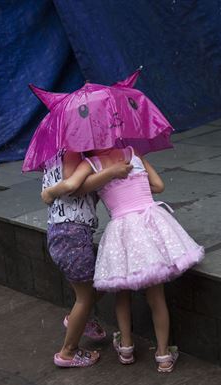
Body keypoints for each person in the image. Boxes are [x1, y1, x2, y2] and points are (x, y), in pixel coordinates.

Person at [78, 146, 204, 372]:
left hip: (121, 231)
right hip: (150, 224)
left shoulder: (92, 164)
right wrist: (136, 188)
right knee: (156, 296)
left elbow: (81, 189)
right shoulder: (133, 153)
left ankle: (126, 347)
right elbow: (159, 186)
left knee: (122, 292)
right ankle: (164, 355)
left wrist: (109, 178)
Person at [41, 148, 132, 368]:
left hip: (60, 232)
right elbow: (73, 188)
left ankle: (77, 319)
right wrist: (112, 171)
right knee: (88, 295)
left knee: (99, 285)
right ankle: (68, 352)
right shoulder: (72, 153)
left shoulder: (51, 157)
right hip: (72, 234)